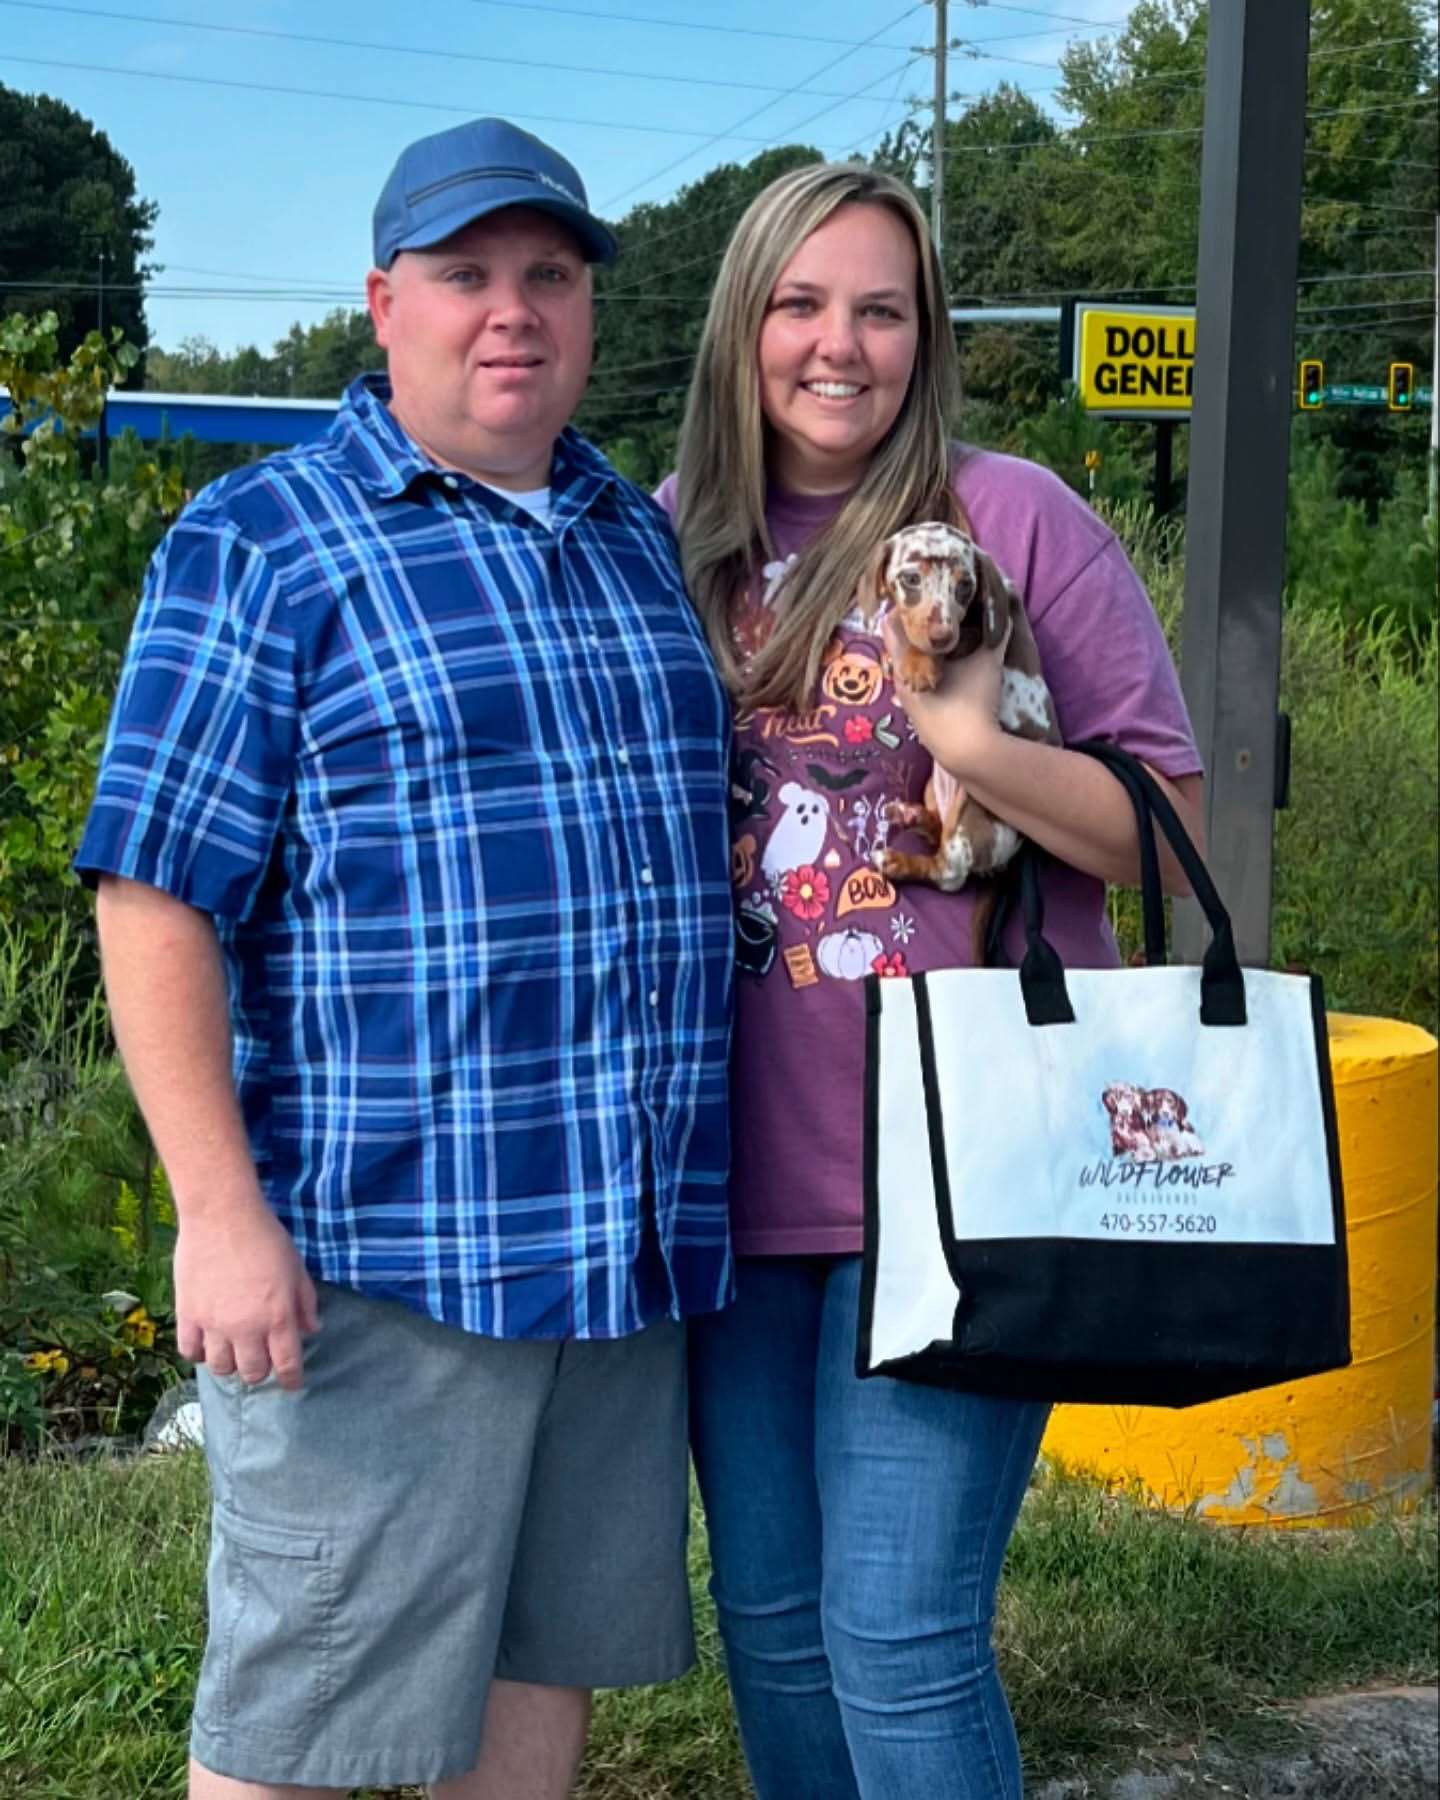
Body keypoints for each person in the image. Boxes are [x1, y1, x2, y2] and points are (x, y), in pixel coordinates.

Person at [76, 118, 734, 1800]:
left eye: (549, 275)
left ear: (589, 306)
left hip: (616, 1255)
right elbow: (152, 894)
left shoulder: (632, 537)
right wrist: (218, 1217)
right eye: (465, 275)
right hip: (383, 1262)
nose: (511, 311)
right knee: (298, 1726)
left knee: (540, 1673)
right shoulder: (267, 542)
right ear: (386, 305)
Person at [657, 162, 1205, 1799]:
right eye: (801, 304)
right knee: (771, 1626)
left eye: (881, 310)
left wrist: (969, 736)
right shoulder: (670, 537)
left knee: (898, 1636)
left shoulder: (1010, 523)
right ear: (743, 324)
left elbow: (1169, 831)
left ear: (928, 336)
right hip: (726, 1182)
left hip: (969, 1178)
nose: (840, 344)